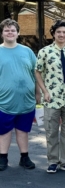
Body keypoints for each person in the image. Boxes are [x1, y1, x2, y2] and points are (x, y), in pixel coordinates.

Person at [35, 20, 65, 173]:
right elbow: (38, 71)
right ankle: (53, 161)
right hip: (51, 98)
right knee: (51, 131)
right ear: (53, 33)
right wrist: (44, 91)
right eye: (58, 32)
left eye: (64, 32)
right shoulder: (44, 52)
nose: (61, 34)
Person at [0, 19, 40, 172]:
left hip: (26, 101)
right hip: (4, 101)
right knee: (3, 131)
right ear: (2, 33)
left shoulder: (27, 51)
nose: (10, 32)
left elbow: (35, 73)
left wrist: (38, 93)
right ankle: (3, 157)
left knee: (23, 131)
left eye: (12, 30)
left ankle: (25, 157)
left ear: (18, 33)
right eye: (6, 30)